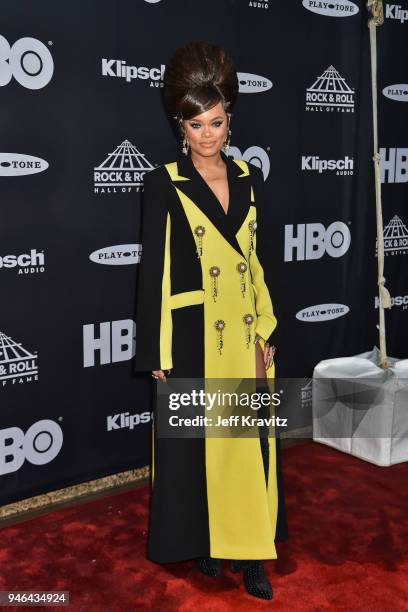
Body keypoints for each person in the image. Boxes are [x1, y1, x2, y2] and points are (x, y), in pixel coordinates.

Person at [134, 41, 287, 601]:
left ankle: (251, 556)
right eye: (195, 124)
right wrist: (156, 353)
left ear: (230, 121)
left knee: (244, 446)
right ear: (181, 126)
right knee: (199, 448)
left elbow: (258, 262)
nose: (208, 134)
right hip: (195, 335)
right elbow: (155, 272)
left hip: (244, 332)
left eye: (216, 122)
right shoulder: (165, 181)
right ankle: (205, 540)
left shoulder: (248, 176)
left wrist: (267, 331)